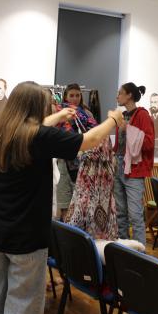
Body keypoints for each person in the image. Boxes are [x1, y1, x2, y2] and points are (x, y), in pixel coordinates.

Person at [0, 81, 124, 314]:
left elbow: (35, 128)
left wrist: (60, 116)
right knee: (22, 310)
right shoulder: (39, 137)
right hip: (25, 240)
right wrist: (114, 120)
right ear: (37, 108)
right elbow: (89, 140)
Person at [113, 82, 154, 246]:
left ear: (129, 95)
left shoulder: (142, 115)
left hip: (134, 170)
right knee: (120, 213)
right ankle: (122, 249)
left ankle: (139, 253)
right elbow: (119, 145)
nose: (117, 96)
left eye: (120, 93)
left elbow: (149, 143)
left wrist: (127, 129)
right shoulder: (122, 115)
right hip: (119, 166)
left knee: (135, 215)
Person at [56, 83, 97, 220]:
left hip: (82, 161)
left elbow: (94, 135)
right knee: (64, 200)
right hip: (63, 161)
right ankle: (64, 228)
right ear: (66, 97)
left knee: (81, 201)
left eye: (77, 95)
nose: (75, 98)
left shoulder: (87, 113)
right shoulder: (59, 112)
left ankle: (76, 229)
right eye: (71, 95)